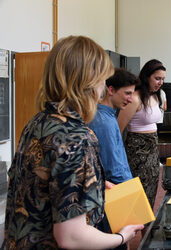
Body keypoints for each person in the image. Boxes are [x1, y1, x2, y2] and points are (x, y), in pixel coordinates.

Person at [3, 36, 143, 249]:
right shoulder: (78, 136)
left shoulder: (37, 122)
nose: (104, 88)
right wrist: (122, 237)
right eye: (102, 80)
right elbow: (71, 236)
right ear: (88, 81)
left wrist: (89, 188)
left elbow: (41, 187)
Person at [117, 59, 165, 209]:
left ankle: (147, 230)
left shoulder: (155, 96)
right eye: (157, 78)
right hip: (137, 154)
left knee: (151, 193)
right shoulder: (135, 98)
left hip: (152, 153)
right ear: (146, 77)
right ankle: (135, 229)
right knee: (139, 196)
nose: (160, 82)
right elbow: (118, 129)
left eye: (163, 79)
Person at [89, 68, 136, 185]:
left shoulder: (109, 115)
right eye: (127, 93)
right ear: (111, 90)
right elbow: (113, 168)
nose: (130, 100)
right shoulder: (104, 122)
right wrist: (128, 189)